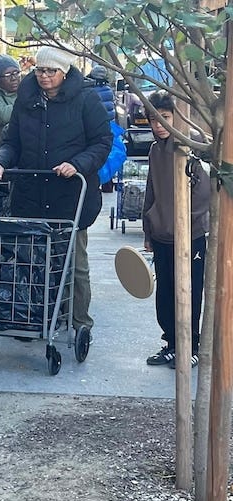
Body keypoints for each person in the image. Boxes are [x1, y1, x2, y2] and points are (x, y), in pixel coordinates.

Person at [0, 46, 112, 339]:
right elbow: (12, 141)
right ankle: (35, 315)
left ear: (64, 72)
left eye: (50, 71)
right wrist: (0, 162)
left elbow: (102, 142)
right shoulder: (26, 99)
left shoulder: (86, 99)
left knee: (75, 264)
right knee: (31, 261)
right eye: (40, 70)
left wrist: (77, 164)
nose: (44, 76)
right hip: (30, 193)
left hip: (70, 196)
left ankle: (79, 320)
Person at [143, 90, 210, 368]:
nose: (159, 125)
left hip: (189, 236)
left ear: (176, 117)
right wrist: (149, 228)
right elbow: (151, 191)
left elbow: (204, 192)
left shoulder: (190, 145)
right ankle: (171, 343)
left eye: (165, 118)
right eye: (153, 119)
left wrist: (185, 223)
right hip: (161, 236)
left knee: (190, 292)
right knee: (166, 293)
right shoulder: (154, 149)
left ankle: (191, 346)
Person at [87, 65, 128, 188]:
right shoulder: (108, 89)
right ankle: (108, 185)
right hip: (108, 125)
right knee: (107, 155)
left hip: (97, 125)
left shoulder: (90, 90)